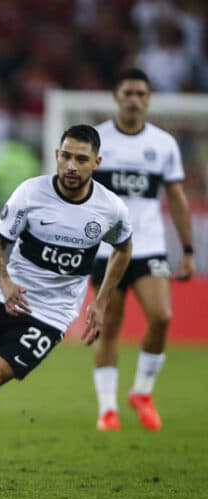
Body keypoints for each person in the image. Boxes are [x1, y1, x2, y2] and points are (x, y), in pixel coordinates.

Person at [0, 125, 133, 445]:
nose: (72, 166)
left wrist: (100, 301)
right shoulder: (31, 194)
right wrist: (5, 283)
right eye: (67, 156)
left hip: (52, 314)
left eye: (82, 159)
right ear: (57, 156)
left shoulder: (110, 208)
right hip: (8, 296)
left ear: (96, 163)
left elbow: (124, 248)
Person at [90, 68, 195, 432]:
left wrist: (187, 247)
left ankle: (142, 391)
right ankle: (107, 408)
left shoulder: (163, 143)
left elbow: (177, 198)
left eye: (141, 94)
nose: (135, 99)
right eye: (128, 92)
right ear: (116, 96)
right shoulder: (97, 140)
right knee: (109, 327)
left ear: (148, 100)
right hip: (106, 250)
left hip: (149, 248)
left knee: (162, 315)